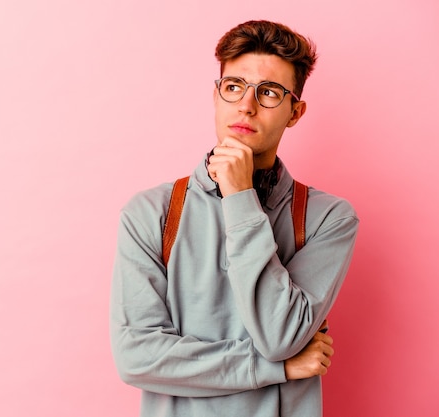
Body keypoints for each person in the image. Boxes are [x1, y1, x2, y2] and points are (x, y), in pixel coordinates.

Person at [110, 20, 359, 417]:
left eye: (269, 92)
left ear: (295, 112)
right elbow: (136, 357)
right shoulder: (151, 214)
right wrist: (275, 368)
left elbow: (281, 336)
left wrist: (240, 197)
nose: (246, 104)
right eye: (233, 86)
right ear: (216, 96)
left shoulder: (327, 218)